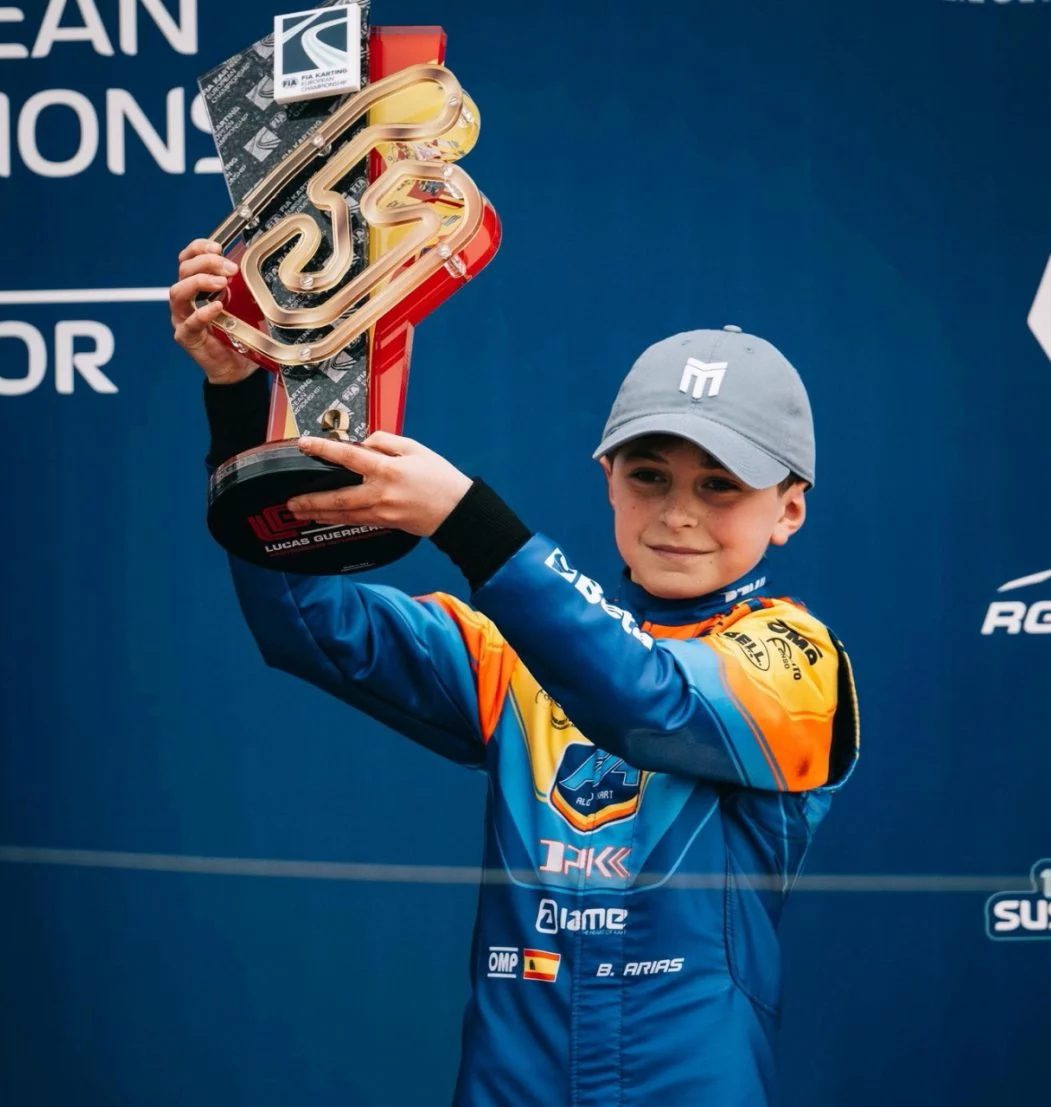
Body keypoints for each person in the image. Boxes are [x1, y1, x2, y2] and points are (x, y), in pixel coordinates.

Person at [171, 239, 860, 1107]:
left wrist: (467, 520)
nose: (680, 513)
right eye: (650, 475)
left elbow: (647, 700)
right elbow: (309, 623)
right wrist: (240, 408)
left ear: (788, 509)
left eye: (720, 486)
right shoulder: (512, 647)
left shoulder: (800, 665)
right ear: (607, 477)